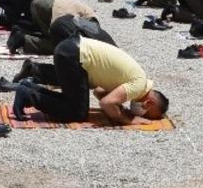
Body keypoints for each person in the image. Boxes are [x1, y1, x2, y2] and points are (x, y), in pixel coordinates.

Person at [12, 36, 167, 125]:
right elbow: (106, 103)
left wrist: (118, 105)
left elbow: (99, 92)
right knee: (77, 113)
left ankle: (29, 89)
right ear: (150, 103)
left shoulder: (139, 80)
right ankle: (28, 94)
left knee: (73, 103)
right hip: (75, 56)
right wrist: (127, 119)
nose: (142, 115)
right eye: (147, 114)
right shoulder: (139, 85)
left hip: (72, 50)